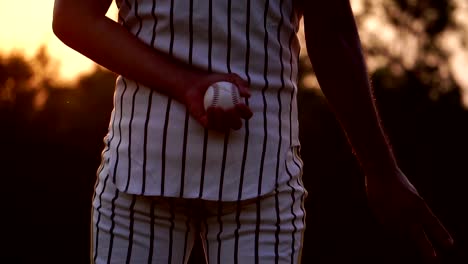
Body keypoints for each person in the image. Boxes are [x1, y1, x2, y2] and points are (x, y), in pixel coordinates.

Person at [52, 0, 454, 263]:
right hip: (137, 177)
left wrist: (380, 168)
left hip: (262, 182)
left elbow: (332, 32)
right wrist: (186, 85)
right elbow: (72, 16)